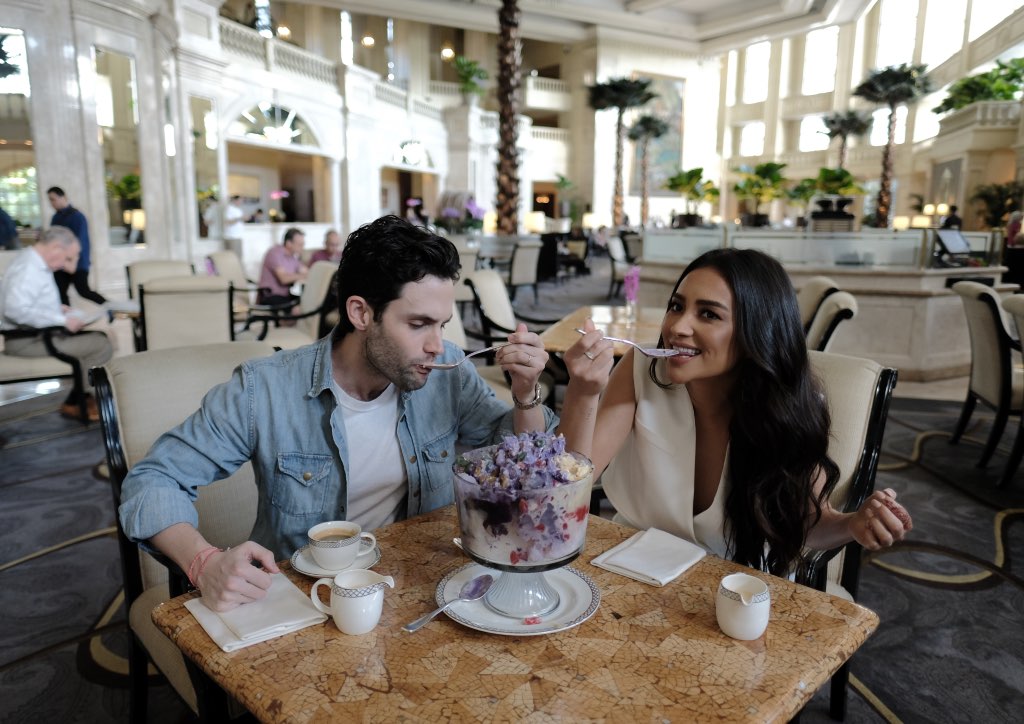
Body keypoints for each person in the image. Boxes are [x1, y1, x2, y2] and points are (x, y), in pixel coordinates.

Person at [118, 215, 556, 611]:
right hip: (306, 600)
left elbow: (523, 461)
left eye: (441, 325)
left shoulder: (446, 373)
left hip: (420, 589)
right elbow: (152, 479)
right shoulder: (264, 389)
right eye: (418, 324)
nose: (437, 346)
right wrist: (203, 563)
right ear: (361, 312)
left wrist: (525, 393)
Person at [559, 248, 910, 577]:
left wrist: (853, 524)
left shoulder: (786, 408)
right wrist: (583, 391)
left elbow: (805, 527)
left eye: (708, 314)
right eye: (677, 306)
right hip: (632, 566)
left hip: (733, 586)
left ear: (755, 332)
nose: (678, 327)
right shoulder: (642, 370)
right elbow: (567, 483)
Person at [0, 226, 113, 421]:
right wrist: (61, 320)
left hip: (34, 336)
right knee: (101, 344)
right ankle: (82, 401)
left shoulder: (31, 262)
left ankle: (77, 400)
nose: (65, 266)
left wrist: (58, 310)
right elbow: (14, 310)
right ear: (56, 248)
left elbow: (26, 304)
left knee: (97, 338)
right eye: (68, 258)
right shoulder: (29, 268)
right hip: (26, 341)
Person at [47, 186, 106, 306]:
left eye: (53, 199)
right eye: (50, 200)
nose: (51, 203)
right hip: (60, 263)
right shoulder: (55, 218)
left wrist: (71, 261)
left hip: (77, 263)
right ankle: (66, 321)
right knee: (60, 292)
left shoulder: (77, 217)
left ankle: (111, 307)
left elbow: (80, 242)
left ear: (63, 197)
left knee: (83, 291)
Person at [257, 227, 309, 306]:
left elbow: (306, 272)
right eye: (300, 245)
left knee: (308, 303)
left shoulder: (293, 257)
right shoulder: (275, 253)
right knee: (300, 307)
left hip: (285, 296)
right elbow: (284, 279)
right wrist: (302, 275)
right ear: (288, 243)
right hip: (270, 296)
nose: (302, 247)